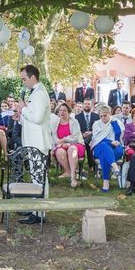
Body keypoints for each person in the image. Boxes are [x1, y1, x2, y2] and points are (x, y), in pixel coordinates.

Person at [17, 64, 52, 224]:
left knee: (39, 177)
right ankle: (36, 209)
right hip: (34, 141)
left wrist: (23, 109)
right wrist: (21, 117)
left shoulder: (39, 94)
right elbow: (34, 117)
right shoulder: (36, 92)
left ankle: (39, 213)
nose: (23, 82)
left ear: (32, 77)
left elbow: (37, 118)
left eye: (24, 79)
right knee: (36, 177)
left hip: (38, 142)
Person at [91, 105, 124, 192]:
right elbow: (97, 138)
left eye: (105, 115)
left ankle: (106, 182)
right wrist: (110, 142)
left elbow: (119, 136)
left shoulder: (116, 122)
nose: (103, 118)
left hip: (115, 149)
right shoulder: (96, 124)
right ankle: (115, 167)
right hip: (99, 147)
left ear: (110, 114)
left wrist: (115, 142)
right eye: (101, 116)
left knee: (104, 153)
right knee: (103, 145)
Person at [52, 103, 85, 188]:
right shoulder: (55, 123)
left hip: (76, 144)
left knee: (72, 149)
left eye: (64, 110)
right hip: (61, 146)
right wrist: (60, 144)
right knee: (59, 152)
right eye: (60, 110)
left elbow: (76, 137)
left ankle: (73, 178)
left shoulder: (74, 121)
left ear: (69, 112)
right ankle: (69, 173)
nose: (62, 112)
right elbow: (54, 137)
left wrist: (64, 140)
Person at [76, 98, 100, 175]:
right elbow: (76, 130)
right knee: (86, 143)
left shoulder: (96, 116)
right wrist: (82, 134)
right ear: (83, 105)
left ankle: (91, 165)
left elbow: (99, 129)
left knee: (90, 142)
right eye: (85, 104)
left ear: (91, 105)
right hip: (81, 137)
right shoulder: (77, 117)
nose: (87, 105)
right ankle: (82, 166)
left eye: (88, 104)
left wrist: (91, 132)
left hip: (93, 137)